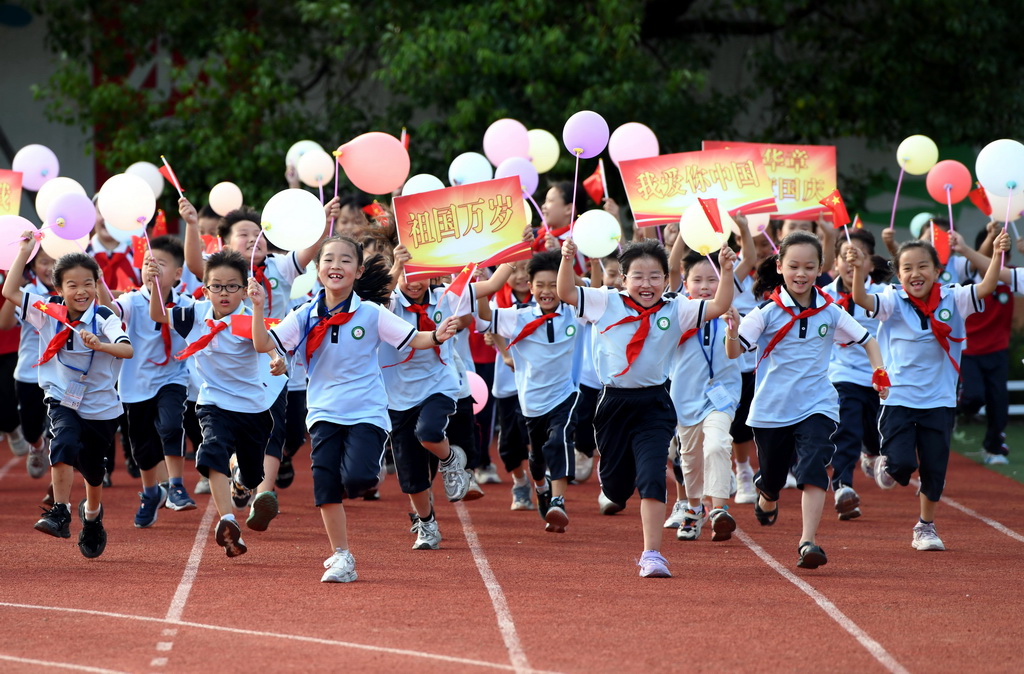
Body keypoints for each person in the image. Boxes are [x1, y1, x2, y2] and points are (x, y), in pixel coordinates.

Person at [250, 235, 459, 581]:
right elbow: (263, 343)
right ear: (317, 270)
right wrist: (259, 310)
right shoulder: (304, 315)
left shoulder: (372, 313)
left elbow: (413, 338)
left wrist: (437, 336)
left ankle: (350, 483)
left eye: (345, 260)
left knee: (360, 479)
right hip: (322, 413)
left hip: (367, 412)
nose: (336, 266)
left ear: (359, 270)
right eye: (328, 260)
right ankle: (341, 556)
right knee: (325, 483)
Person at [558, 237, 736, 578]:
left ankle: (652, 554)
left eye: (655, 276)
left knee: (653, 476)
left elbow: (717, 305)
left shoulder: (676, 307)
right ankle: (609, 481)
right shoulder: (605, 301)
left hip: (654, 403)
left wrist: (726, 271)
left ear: (666, 280)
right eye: (637, 276)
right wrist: (568, 259)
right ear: (623, 278)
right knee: (617, 489)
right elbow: (567, 292)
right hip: (613, 404)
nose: (647, 284)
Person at [725, 231, 888, 570]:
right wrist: (731, 331)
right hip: (772, 410)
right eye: (794, 266)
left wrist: (878, 371)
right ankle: (767, 493)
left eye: (810, 267)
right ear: (780, 267)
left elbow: (867, 339)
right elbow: (735, 351)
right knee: (772, 479)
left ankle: (808, 542)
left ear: (820, 269)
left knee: (814, 467)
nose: (802, 274)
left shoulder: (830, 311)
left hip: (818, 405)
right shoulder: (766, 313)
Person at [847, 231, 1009, 551]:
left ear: (937, 271)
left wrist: (999, 254)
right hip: (899, 399)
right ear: (898, 274)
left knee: (934, 467)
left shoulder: (955, 297)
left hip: (939, 399)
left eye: (923, 266)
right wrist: (858, 272)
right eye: (907, 268)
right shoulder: (892, 300)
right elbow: (862, 300)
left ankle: (925, 526)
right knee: (903, 466)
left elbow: (987, 287)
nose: (915, 274)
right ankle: (887, 464)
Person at [3, 234, 135, 559]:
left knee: (93, 469)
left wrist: (101, 345)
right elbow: (9, 291)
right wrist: (23, 253)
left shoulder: (104, 317)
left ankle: (91, 517)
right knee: (62, 443)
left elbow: (127, 349)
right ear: (59, 289)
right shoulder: (48, 311)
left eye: (88, 283)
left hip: (101, 406)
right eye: (72, 285)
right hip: (61, 397)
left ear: (96, 284)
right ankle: (59, 511)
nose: (81, 291)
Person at [150, 249, 285, 557]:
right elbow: (158, 315)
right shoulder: (194, 314)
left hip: (253, 408)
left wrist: (278, 362)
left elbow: (270, 347)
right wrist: (155, 283)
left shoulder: (249, 319)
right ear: (205, 288)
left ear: (244, 288)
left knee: (253, 475)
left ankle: (241, 481)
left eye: (232, 286)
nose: (224, 293)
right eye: (217, 286)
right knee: (211, 451)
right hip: (213, 403)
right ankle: (227, 520)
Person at [382, 245, 517, 549]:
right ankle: (427, 524)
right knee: (413, 476)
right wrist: (396, 265)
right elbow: (375, 298)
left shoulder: (449, 295)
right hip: (398, 396)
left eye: (422, 273)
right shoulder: (386, 303)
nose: (415, 281)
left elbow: (494, 285)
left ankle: (451, 458)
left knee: (430, 431)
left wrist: (515, 248)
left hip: (440, 384)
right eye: (408, 273)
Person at [481, 251, 584, 533]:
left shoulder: (575, 313)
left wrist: (568, 260)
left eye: (554, 284)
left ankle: (559, 501)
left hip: (565, 395)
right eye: (541, 285)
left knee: (560, 440)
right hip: (531, 403)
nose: (547, 291)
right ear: (530, 285)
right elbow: (484, 314)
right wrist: (483, 284)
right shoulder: (519, 316)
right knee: (537, 460)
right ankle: (541, 488)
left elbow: (592, 287)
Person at [107, 236, 196, 527]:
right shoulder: (132, 300)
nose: (152, 268)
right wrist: (97, 282)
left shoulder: (186, 304)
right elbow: (111, 309)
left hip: (172, 377)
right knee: (142, 448)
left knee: (172, 424)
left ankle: (177, 485)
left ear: (178, 273)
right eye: (147, 263)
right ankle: (150, 492)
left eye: (160, 264)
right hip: (135, 384)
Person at [666, 252, 743, 542]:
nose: (705, 286)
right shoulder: (678, 314)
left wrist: (733, 331)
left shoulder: (731, 315)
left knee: (717, 444)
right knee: (690, 457)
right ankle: (694, 509)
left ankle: (720, 509)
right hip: (685, 398)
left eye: (713, 279)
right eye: (697, 280)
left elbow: (734, 353)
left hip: (721, 398)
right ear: (686, 284)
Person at [822, 229, 890, 520]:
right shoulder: (822, 297)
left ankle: (871, 453)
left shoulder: (883, 296)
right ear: (834, 262)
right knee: (847, 430)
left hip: (878, 378)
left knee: (877, 436)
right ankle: (843, 487)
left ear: (871, 263)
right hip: (840, 377)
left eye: (858, 256)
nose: (851, 263)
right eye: (844, 257)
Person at [950, 225, 1014, 464]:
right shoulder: (966, 283)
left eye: (1004, 253)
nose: (1000, 258)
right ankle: (952, 410)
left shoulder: (1011, 278)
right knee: (973, 398)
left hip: (997, 351)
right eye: (996, 251)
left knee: (999, 403)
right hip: (969, 351)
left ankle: (994, 448)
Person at [0, 248, 55, 478]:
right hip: (30, 374)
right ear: (33, 266)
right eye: (44, 261)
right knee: (32, 430)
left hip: (62, 374)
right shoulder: (29, 293)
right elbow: (4, 324)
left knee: (65, 430)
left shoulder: (74, 292)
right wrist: (16, 292)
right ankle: (36, 445)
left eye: (56, 261)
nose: (50, 267)